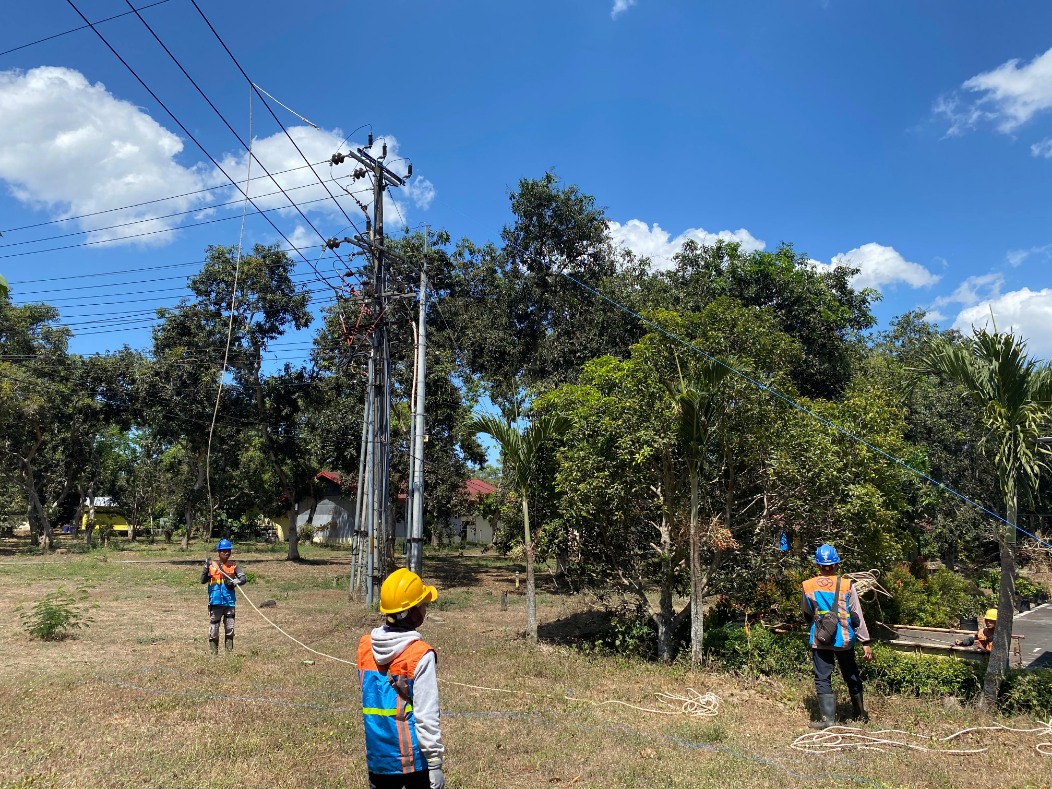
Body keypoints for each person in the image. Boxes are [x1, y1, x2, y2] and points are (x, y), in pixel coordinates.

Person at [358, 568, 445, 789]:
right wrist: (435, 763)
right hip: (413, 760)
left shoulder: (365, 647)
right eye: (423, 605)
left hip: (378, 758)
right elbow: (426, 713)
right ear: (410, 613)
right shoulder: (420, 654)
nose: (425, 609)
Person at [801, 543, 873, 729]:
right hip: (844, 638)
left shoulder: (808, 585)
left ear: (818, 565)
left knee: (822, 677)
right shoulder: (847, 585)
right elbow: (856, 615)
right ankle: (860, 714)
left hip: (821, 638)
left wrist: (818, 626)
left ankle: (828, 720)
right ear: (837, 564)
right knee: (851, 673)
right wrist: (865, 641)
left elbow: (807, 612)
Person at [200, 538, 246, 655]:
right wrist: (206, 568)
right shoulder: (212, 565)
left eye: (228, 550)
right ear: (219, 552)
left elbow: (243, 578)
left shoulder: (234, 565)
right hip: (215, 601)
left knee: (230, 628)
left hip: (229, 602)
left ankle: (229, 653)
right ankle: (214, 653)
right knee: (214, 628)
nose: (226, 553)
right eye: (224, 551)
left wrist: (237, 581)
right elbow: (202, 580)